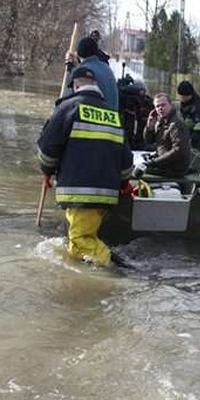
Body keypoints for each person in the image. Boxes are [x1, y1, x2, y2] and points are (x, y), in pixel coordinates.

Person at [37, 66, 133, 266]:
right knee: (83, 239)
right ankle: (104, 264)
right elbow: (126, 159)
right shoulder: (112, 113)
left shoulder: (67, 107)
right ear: (96, 85)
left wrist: (47, 171)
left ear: (75, 85)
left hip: (79, 193)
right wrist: (124, 183)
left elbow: (48, 148)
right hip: (107, 194)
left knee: (80, 243)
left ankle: (120, 271)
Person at [137, 93, 192, 179]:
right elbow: (149, 141)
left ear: (170, 105)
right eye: (157, 106)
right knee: (138, 166)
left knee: (137, 171)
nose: (160, 108)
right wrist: (149, 127)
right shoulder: (162, 122)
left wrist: (154, 162)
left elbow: (179, 150)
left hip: (174, 169)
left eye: (163, 105)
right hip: (164, 164)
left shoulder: (176, 124)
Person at [63, 31, 119, 110]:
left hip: (95, 119)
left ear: (78, 54)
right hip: (112, 118)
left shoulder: (84, 72)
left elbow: (67, 99)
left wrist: (71, 71)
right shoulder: (106, 67)